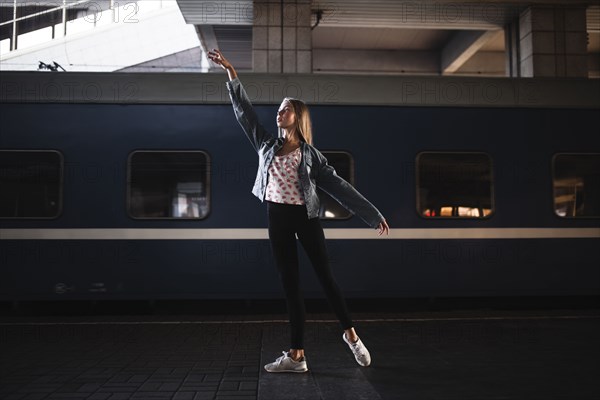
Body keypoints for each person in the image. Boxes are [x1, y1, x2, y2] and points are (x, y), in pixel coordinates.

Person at [207, 49, 390, 373]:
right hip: (276, 218)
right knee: (290, 284)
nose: (279, 113)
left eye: (286, 109)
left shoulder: (311, 156)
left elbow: (339, 187)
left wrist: (372, 215)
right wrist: (231, 71)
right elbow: (245, 114)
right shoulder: (266, 145)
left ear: (299, 116)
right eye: (278, 109)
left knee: (325, 278)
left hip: (305, 219)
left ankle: (350, 334)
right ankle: (296, 356)